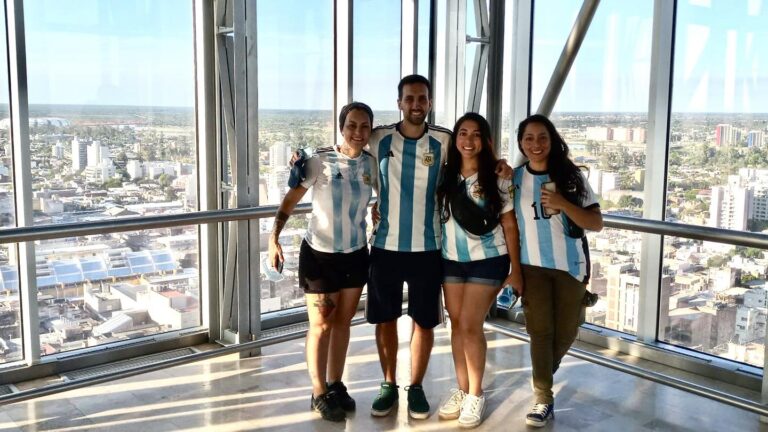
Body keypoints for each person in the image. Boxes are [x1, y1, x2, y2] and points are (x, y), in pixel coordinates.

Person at [268, 102, 377, 422]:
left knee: (343, 323)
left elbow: (385, 196)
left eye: (364, 126)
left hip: (356, 253)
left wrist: (377, 209)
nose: (358, 132)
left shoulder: (372, 164)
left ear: (370, 130)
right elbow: (290, 201)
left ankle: (335, 384)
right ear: (342, 128)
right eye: (352, 125)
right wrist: (273, 238)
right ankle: (318, 392)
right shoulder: (319, 161)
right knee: (321, 325)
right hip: (319, 256)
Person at [365, 74, 452, 420]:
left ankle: (415, 386)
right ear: (399, 102)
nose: (416, 105)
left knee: (423, 322)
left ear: (429, 103)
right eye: (410, 98)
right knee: (384, 320)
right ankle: (388, 383)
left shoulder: (443, 141)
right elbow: (347, 144)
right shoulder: (379, 137)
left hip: (429, 248)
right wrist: (303, 157)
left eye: (423, 99)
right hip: (385, 246)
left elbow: (475, 161)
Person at [511, 114, 603, 428]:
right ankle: (543, 398)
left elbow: (596, 223)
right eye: (529, 138)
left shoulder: (571, 177)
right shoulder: (513, 179)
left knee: (567, 330)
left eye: (542, 137)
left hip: (570, 266)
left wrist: (564, 203)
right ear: (521, 143)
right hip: (531, 266)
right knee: (540, 332)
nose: (535, 144)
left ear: (552, 140)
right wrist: (513, 270)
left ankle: (543, 370)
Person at [435, 113, 523, 428]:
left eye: (475, 134)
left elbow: (510, 225)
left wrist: (515, 269)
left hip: (489, 259)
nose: (468, 140)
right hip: (450, 259)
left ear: (485, 140)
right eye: (462, 133)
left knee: (471, 325)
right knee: (456, 325)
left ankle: (475, 393)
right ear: (455, 138)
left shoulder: (498, 176)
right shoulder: (443, 176)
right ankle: (461, 389)